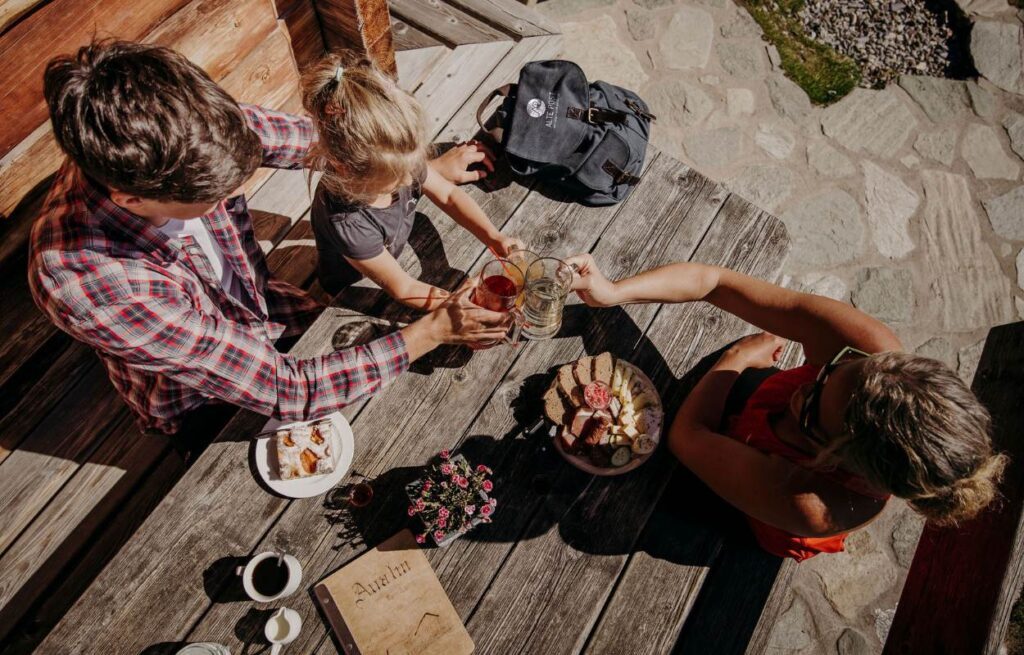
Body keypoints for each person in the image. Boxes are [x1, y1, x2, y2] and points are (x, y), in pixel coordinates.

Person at [29, 40, 511, 436]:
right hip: (200, 401)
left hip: (267, 308)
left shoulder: (196, 129)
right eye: (215, 196)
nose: (228, 194)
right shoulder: (88, 281)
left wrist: (404, 170)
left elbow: (320, 143)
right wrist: (433, 331)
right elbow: (290, 391)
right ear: (133, 200)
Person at [566, 254, 1007, 561]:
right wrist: (612, 292)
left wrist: (735, 360)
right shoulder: (867, 352)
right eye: (829, 369)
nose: (803, 387)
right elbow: (715, 282)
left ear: (833, 458)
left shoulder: (809, 502)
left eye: (811, 410)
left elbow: (687, 438)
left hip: (758, 507)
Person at [302, 51, 522, 306]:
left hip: (387, 253)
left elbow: (449, 195)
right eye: (396, 178)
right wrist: (456, 306)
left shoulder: (396, 156)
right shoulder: (347, 221)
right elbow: (403, 287)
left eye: (414, 164)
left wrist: (494, 238)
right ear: (345, 168)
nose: (411, 178)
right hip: (355, 286)